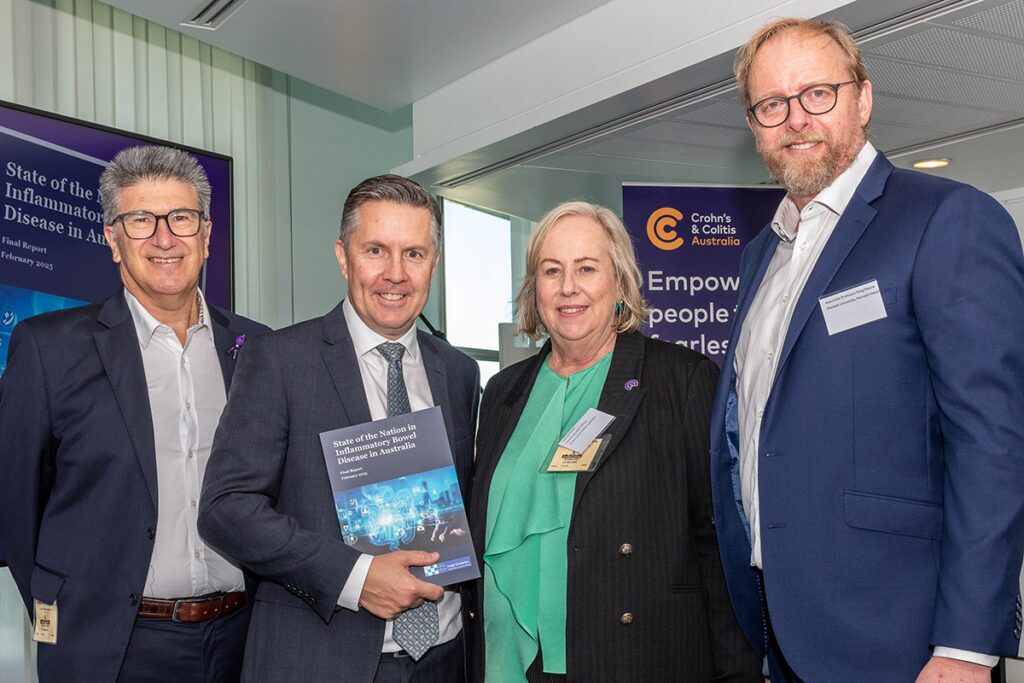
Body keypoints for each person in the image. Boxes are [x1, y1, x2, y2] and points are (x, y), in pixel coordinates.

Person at [709, 18, 1024, 682]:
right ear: (754, 125)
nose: (796, 119)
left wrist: (966, 646)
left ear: (863, 98)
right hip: (780, 629)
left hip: (906, 641)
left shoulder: (945, 219)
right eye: (772, 104)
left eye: (817, 93)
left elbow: (993, 443)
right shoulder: (759, 255)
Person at [0, 145, 269, 682]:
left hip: (244, 640)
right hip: (110, 647)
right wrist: (69, 603)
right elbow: (16, 504)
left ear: (207, 235)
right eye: (141, 220)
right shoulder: (48, 348)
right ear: (112, 239)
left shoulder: (259, 348)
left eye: (182, 218)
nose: (164, 238)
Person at [198, 174, 480, 682]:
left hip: (445, 657)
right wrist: (355, 576)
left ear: (433, 263)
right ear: (343, 257)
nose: (395, 274)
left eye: (414, 254)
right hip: (321, 661)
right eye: (376, 251)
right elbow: (226, 509)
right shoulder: (279, 360)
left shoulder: (459, 372)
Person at [465, 201, 760, 682]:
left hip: (629, 659)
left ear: (619, 283)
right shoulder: (503, 392)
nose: (568, 287)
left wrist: (738, 673)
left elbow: (719, 546)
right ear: (534, 288)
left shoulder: (680, 381)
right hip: (507, 666)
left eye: (586, 268)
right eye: (551, 270)